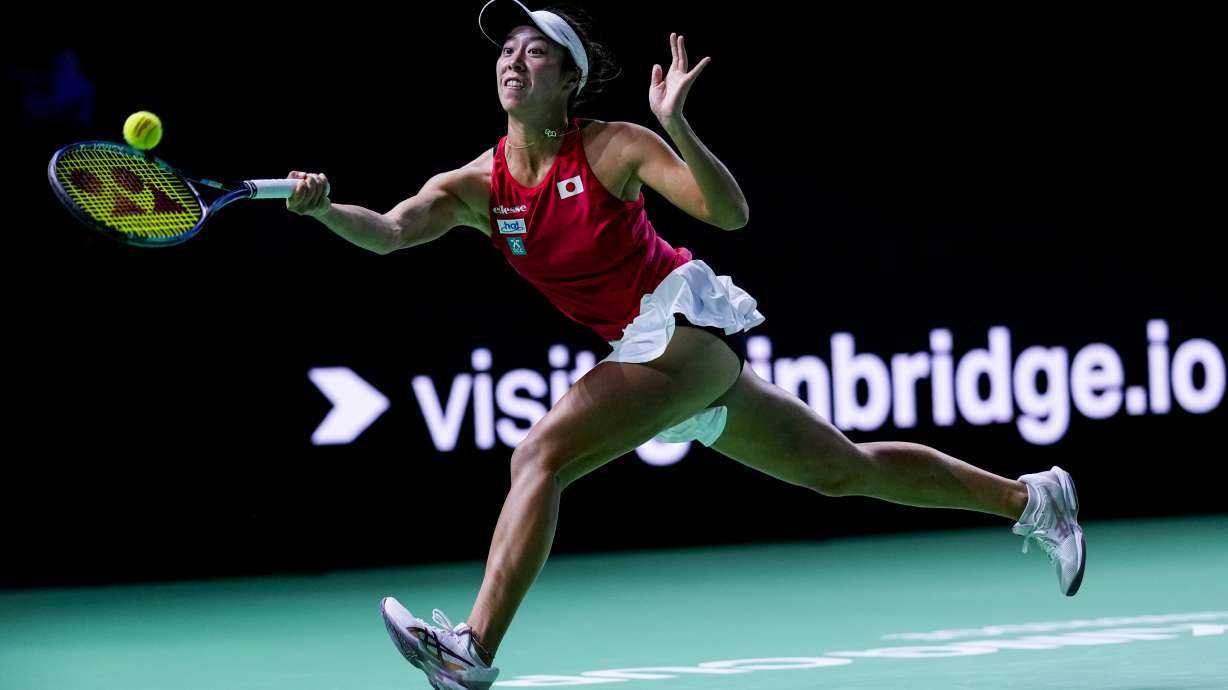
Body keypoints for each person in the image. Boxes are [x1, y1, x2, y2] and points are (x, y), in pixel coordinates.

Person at [285, 2, 1086, 688]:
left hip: (682, 331)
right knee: (843, 471)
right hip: (662, 358)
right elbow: (389, 231)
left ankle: (474, 647)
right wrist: (324, 210)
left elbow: (727, 213)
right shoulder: (475, 186)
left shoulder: (614, 146)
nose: (515, 61)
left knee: (538, 457)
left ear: (569, 81)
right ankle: (1031, 498)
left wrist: (677, 127)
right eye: (506, 50)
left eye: (538, 51)